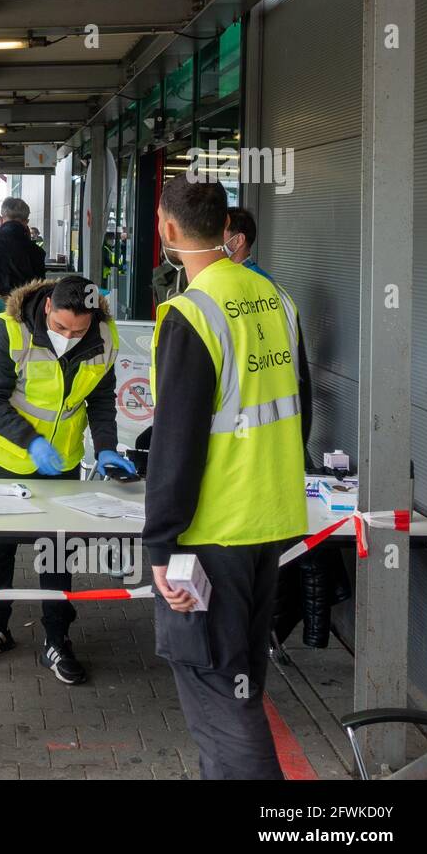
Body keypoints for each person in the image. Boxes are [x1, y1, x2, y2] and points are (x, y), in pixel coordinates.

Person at [144, 176, 311, 780]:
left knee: (220, 697)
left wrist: (160, 543)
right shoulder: (276, 300)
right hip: (272, 522)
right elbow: (301, 411)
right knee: (241, 678)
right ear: (225, 229)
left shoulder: (192, 312)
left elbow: (176, 444)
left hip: (212, 534)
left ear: (166, 229)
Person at [0, 274, 131, 684]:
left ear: (93, 318)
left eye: (78, 330)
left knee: (57, 550)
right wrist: (32, 441)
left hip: (63, 461)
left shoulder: (104, 339)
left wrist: (108, 446)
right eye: (60, 327)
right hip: (6, 456)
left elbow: (100, 398)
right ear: (46, 308)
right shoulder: (10, 332)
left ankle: (57, 638)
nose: (68, 336)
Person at [224, 206, 273, 282]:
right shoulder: (227, 274)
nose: (214, 242)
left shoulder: (260, 281)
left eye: (219, 235)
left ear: (238, 240)